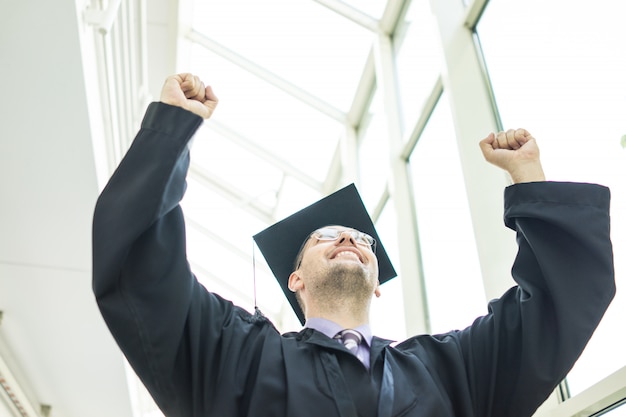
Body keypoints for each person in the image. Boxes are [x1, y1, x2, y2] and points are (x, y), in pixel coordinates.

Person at [92, 73, 615, 417]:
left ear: (377, 285)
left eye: (360, 238)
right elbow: (139, 270)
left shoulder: (451, 370)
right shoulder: (236, 356)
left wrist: (528, 178)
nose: (346, 236)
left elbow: (557, 309)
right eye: (324, 237)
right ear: (294, 279)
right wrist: (172, 130)